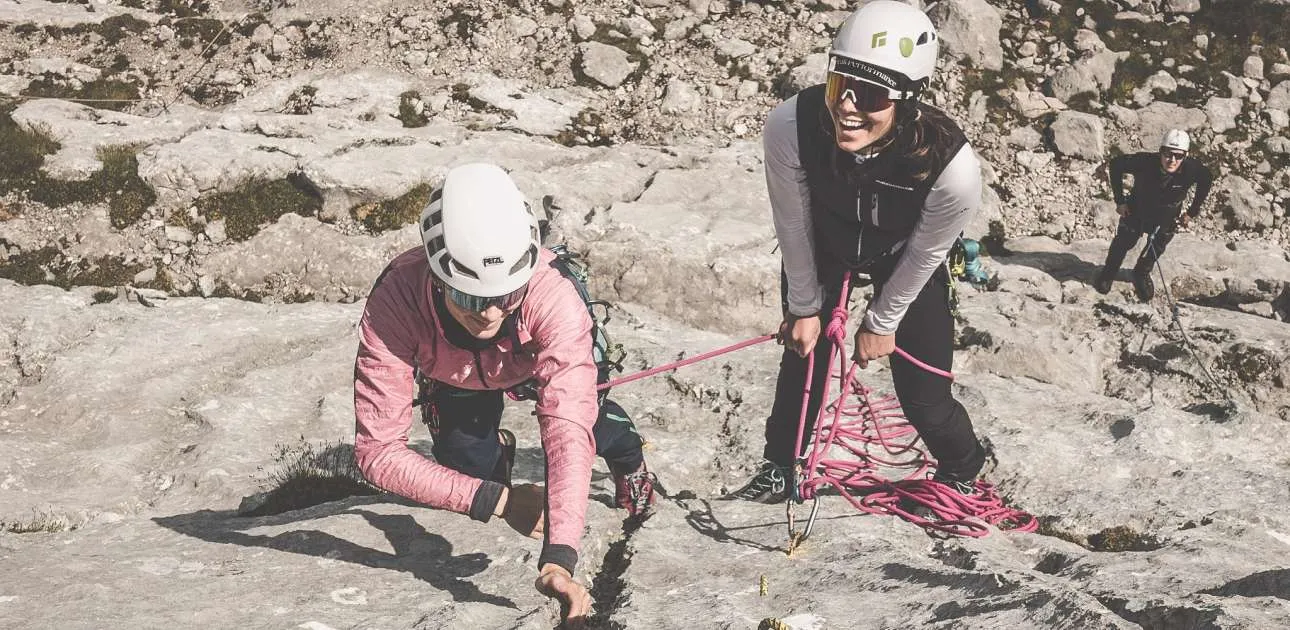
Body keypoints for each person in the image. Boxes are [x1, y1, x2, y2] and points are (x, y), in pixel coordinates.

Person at [352, 163, 656, 626]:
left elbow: (566, 429)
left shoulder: (552, 297)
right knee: (468, 469)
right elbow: (376, 452)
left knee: (592, 423)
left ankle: (628, 454)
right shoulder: (397, 299)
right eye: (472, 298)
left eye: (507, 294)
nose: (491, 312)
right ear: (437, 277)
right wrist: (500, 501)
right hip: (454, 372)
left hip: (527, 360)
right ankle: (497, 457)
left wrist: (560, 557)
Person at [728, 1, 990, 505]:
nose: (847, 106)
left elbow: (926, 251)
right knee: (803, 357)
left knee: (923, 392)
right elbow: (793, 222)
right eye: (837, 85)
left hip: (904, 253)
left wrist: (883, 320)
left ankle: (961, 468)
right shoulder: (792, 126)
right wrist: (804, 308)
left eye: (870, 93)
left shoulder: (950, 168)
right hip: (825, 243)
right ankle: (781, 465)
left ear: (908, 100)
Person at [1094, 129, 1214, 300]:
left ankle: (1141, 273)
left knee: (1157, 246)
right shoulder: (1145, 162)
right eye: (1168, 154)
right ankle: (1109, 272)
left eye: (1178, 156)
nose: (1172, 160)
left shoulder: (1192, 169)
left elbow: (1207, 179)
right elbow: (1116, 165)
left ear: (1185, 156)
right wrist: (1120, 201)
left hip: (1167, 214)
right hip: (1137, 209)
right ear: (1161, 151)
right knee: (1123, 242)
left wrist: (1192, 212)